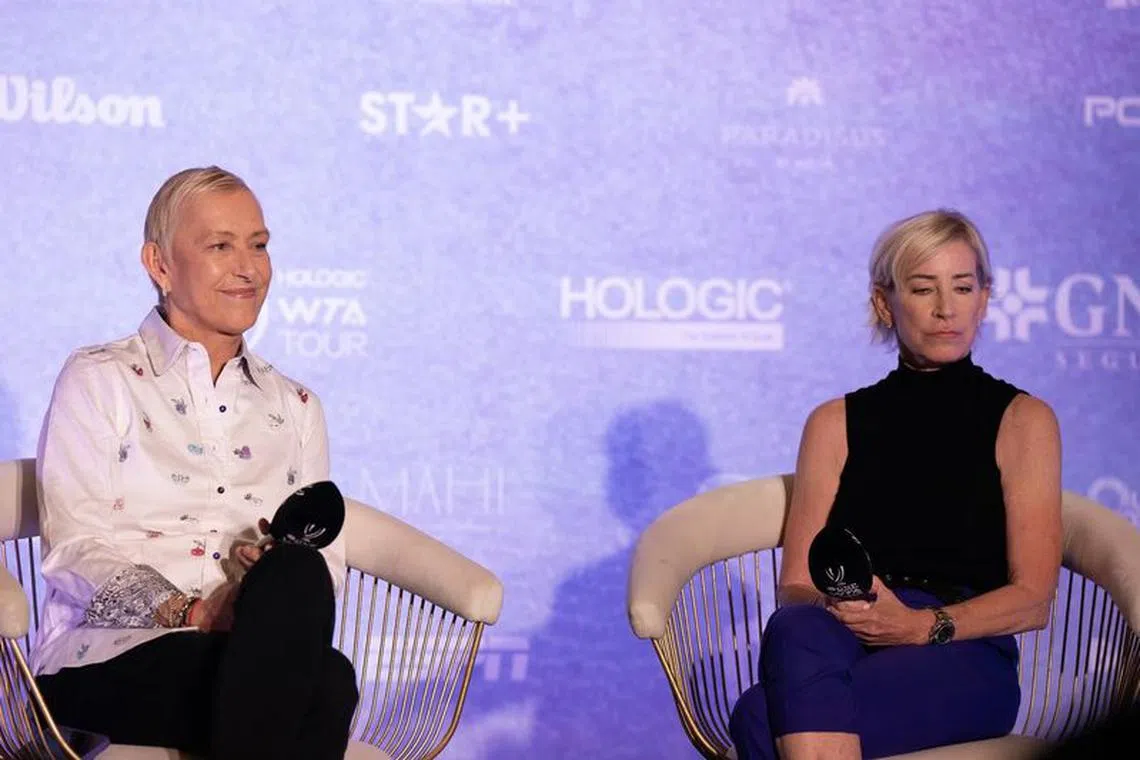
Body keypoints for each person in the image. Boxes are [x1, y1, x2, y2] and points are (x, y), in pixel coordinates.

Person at [31, 166, 359, 759]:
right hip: (107, 655)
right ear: (159, 265)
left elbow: (326, 567)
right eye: (220, 246)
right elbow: (74, 548)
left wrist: (259, 586)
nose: (249, 268)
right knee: (327, 686)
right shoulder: (100, 379)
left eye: (259, 245)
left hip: (251, 649)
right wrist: (193, 610)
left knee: (300, 572)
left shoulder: (299, 407)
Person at [729, 209, 1063, 759]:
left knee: (758, 719)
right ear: (886, 303)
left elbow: (1033, 601)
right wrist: (860, 610)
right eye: (923, 288)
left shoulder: (1024, 420)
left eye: (962, 286)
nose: (945, 308)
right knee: (794, 625)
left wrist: (917, 626)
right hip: (850, 635)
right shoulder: (833, 423)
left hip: (963, 651)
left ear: (984, 297)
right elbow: (795, 582)